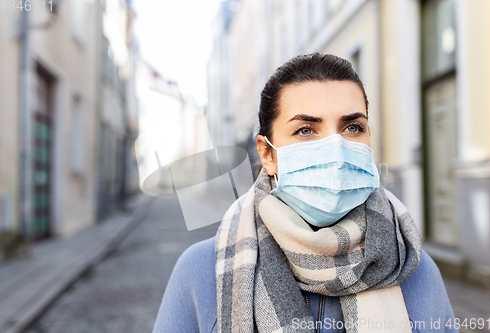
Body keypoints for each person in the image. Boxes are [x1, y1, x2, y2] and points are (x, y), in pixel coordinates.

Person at [153, 53, 457, 333]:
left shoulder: (413, 268)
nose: (336, 150)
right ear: (267, 154)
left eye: (352, 127)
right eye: (306, 130)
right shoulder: (200, 271)